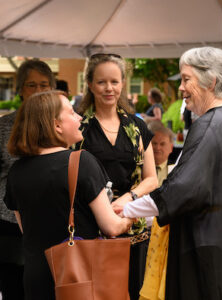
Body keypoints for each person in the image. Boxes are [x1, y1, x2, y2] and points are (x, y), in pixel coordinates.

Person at [117, 47, 222, 300]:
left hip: (203, 252)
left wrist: (126, 208)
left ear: (210, 81)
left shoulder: (209, 124)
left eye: (186, 79)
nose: (181, 87)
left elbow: (181, 191)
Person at [3, 91, 133, 300]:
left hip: (35, 280)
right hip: (78, 279)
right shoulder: (81, 161)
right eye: (72, 112)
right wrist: (132, 214)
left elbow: (28, 230)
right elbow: (111, 227)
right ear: (56, 125)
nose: (79, 117)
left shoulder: (16, 172)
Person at [76, 53, 158, 300]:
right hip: (92, 229)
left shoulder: (137, 127)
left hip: (133, 227)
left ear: (123, 83)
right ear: (90, 84)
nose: (109, 88)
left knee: (134, 292)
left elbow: (152, 178)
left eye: (114, 81)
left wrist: (129, 198)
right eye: (101, 82)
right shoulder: (80, 129)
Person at [0, 59, 55, 300]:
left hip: (51, 223)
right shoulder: (4, 127)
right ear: (21, 89)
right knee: (14, 289)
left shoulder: (62, 125)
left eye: (44, 85)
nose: (38, 91)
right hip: (9, 226)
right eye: (32, 85)